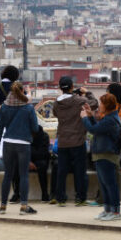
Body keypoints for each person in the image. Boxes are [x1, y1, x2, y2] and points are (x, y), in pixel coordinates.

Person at [0, 81, 38, 215]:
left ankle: (2, 206)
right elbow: (35, 127)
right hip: (23, 143)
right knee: (23, 175)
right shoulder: (28, 108)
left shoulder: (4, 107)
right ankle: (24, 205)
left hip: (7, 143)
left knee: (8, 175)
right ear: (22, 91)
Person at [52, 76, 97, 207]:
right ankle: (80, 198)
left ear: (60, 88)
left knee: (62, 171)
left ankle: (60, 198)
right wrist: (87, 92)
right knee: (80, 171)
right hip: (78, 140)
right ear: (72, 87)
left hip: (62, 141)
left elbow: (55, 114)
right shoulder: (79, 100)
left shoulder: (56, 103)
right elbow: (94, 104)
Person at [82, 92, 121, 221]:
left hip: (107, 155)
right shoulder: (110, 117)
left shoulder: (110, 119)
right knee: (104, 183)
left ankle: (115, 211)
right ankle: (108, 209)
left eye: (101, 103)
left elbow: (93, 129)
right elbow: (98, 127)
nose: (99, 106)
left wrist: (84, 118)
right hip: (102, 154)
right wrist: (90, 115)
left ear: (107, 105)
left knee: (110, 184)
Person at [11, 125, 51, 203]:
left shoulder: (44, 136)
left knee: (42, 165)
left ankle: (45, 194)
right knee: (16, 165)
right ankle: (16, 193)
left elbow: (42, 153)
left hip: (40, 159)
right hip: (27, 160)